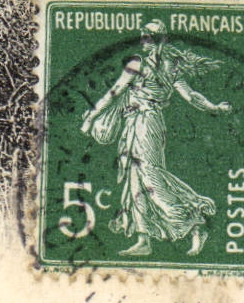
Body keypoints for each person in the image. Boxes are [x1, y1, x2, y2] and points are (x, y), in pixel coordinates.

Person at [80, 20, 231, 256]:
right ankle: (144, 239)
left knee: (151, 178)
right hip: (138, 124)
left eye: (148, 37)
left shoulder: (147, 65)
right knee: (135, 179)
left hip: (145, 124)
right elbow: (190, 96)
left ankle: (194, 223)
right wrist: (215, 107)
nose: (143, 41)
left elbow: (114, 93)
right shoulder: (167, 66)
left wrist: (90, 118)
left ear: (159, 39)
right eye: (143, 36)